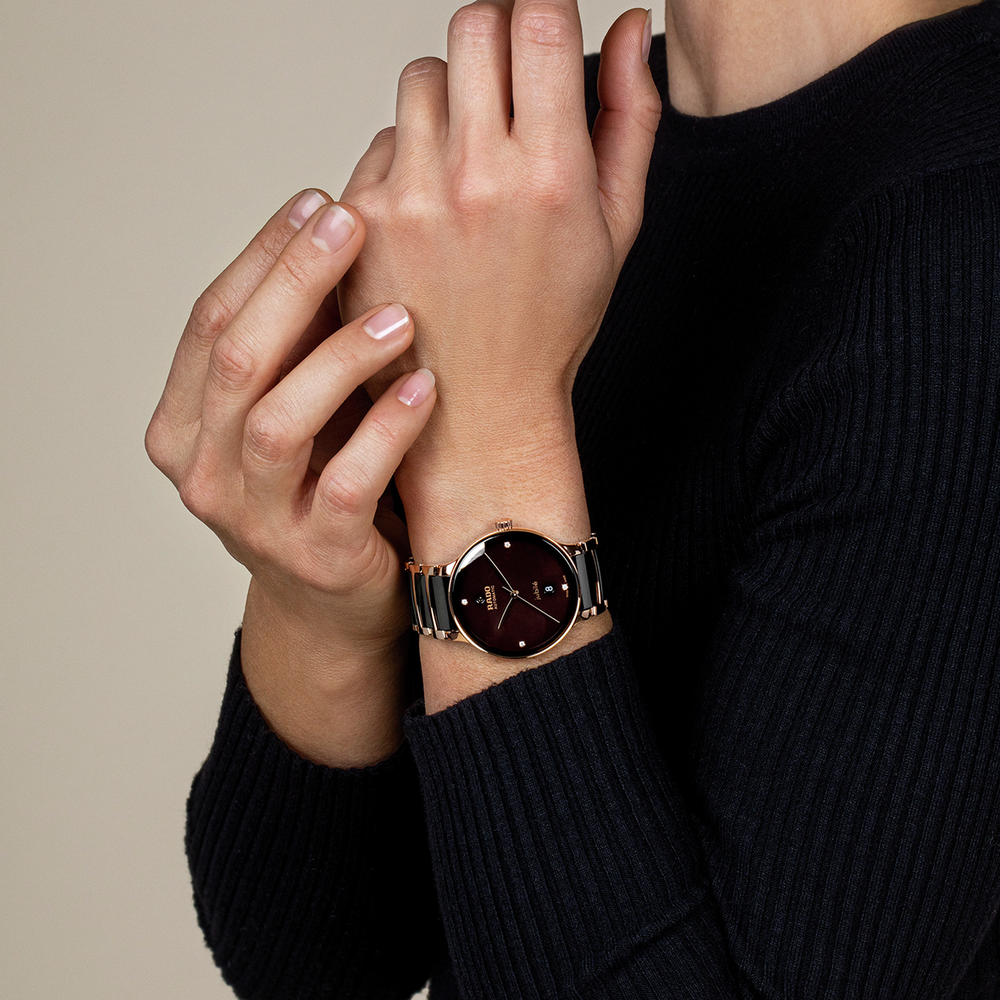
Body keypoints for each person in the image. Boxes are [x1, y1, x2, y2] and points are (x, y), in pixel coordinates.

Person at [145, 0, 1000, 995]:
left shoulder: (963, 248)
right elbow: (316, 959)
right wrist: (322, 610)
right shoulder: (537, 172)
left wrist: (487, 450)